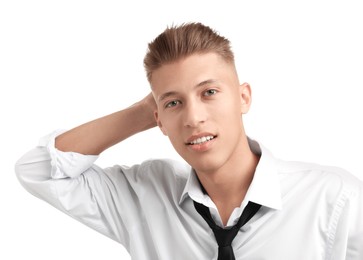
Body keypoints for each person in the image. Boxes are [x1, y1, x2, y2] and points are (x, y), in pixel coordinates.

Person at [15, 22, 363, 260]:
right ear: (159, 120)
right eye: (174, 103)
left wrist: (168, 102)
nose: (193, 118)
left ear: (243, 98)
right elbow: (40, 170)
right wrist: (143, 111)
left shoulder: (334, 198)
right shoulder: (145, 197)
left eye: (209, 92)